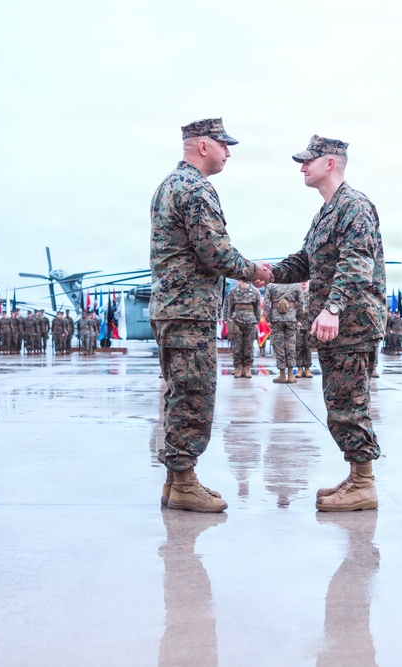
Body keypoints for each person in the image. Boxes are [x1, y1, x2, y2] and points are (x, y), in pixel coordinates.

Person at [150, 117, 272, 513]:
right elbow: (215, 251)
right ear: (203, 146)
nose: (228, 152)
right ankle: (184, 481)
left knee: (178, 392)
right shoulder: (195, 188)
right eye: (223, 144)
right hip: (189, 310)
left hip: (173, 309)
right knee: (194, 395)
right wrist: (253, 271)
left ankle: (174, 480)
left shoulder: (169, 185)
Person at [269, 134, 386, 512]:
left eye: (308, 161)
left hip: (353, 325)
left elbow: (357, 264)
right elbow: (305, 261)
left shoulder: (354, 206)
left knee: (350, 403)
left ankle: (364, 483)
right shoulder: (326, 212)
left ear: (330, 163)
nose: (302, 167)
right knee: (338, 402)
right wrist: (268, 273)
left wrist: (333, 308)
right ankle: (356, 475)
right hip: (336, 327)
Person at [263, 281, 304, 383]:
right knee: (291, 346)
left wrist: (268, 319)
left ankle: (282, 375)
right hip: (291, 318)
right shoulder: (295, 285)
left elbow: (266, 303)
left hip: (276, 319)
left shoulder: (271, 286)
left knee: (279, 346)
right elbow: (301, 303)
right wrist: (299, 318)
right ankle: (290, 375)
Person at [223, 280, 261, 378]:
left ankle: (247, 367)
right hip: (236, 320)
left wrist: (257, 320)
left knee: (249, 345)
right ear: (238, 280)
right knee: (237, 345)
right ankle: (238, 367)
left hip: (250, 320)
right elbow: (228, 306)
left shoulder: (255, 291)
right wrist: (227, 319)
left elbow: (257, 307)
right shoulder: (233, 291)